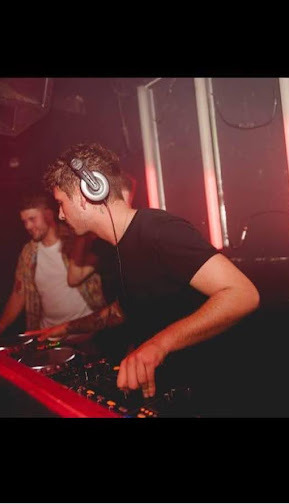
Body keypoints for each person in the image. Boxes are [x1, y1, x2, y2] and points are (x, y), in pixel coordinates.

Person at [41, 142, 260, 398]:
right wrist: (65, 328)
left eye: (61, 203)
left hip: (212, 388)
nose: (61, 215)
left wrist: (158, 345)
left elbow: (243, 294)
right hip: (173, 390)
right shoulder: (115, 248)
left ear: (85, 194)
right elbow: (120, 311)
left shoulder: (159, 231)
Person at [0, 193, 106, 339]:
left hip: (85, 334)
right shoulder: (29, 253)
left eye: (32, 219)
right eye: (24, 221)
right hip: (48, 335)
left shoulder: (75, 239)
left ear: (48, 215)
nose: (28, 226)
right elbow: (19, 293)